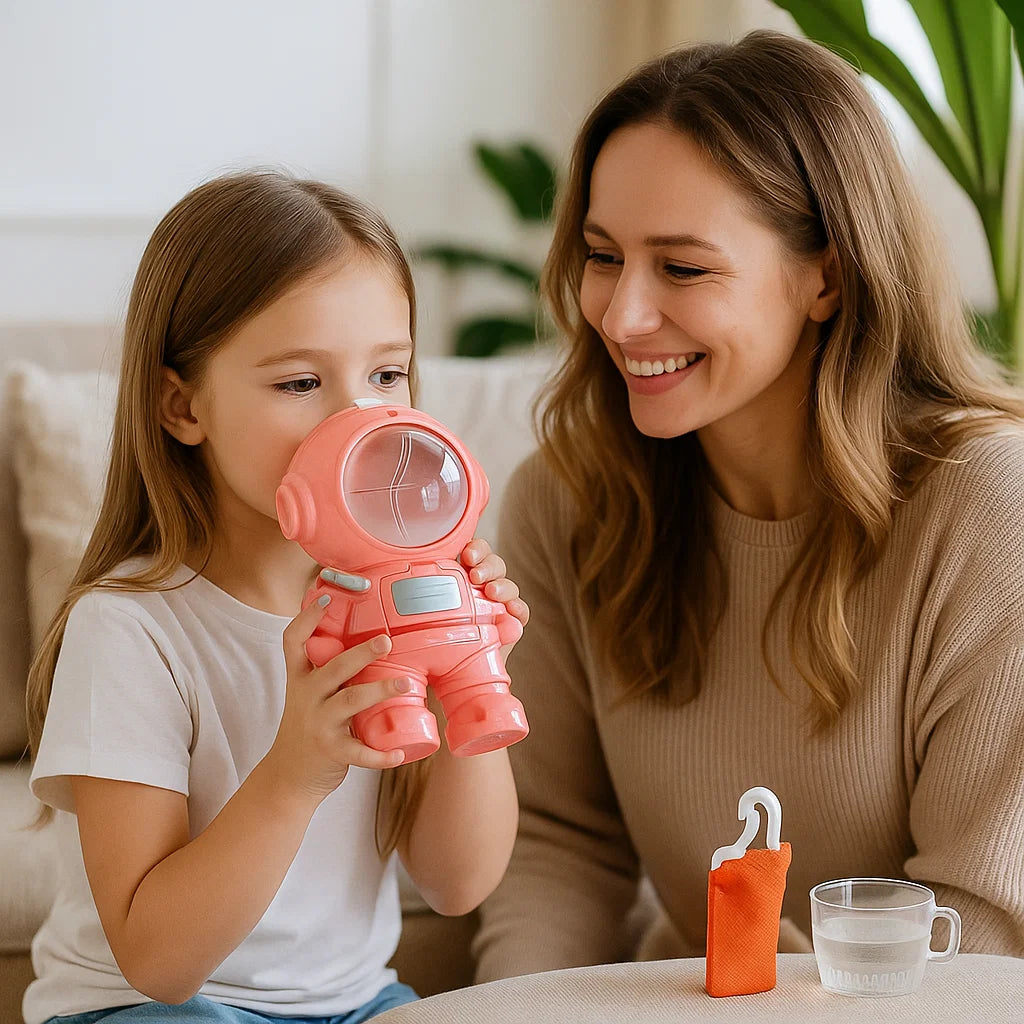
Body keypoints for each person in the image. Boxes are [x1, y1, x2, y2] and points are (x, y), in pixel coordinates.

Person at [473, 29, 1024, 982]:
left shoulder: (988, 508)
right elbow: (559, 846)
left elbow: (976, 936)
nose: (621, 314)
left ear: (830, 275)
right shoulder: (567, 503)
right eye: (603, 256)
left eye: (683, 268)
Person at [23, 171, 528, 1024]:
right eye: (301, 383)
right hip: (151, 1008)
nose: (361, 422)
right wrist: (296, 772)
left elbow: (458, 883)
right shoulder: (130, 630)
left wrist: (472, 673)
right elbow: (157, 961)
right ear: (181, 405)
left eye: (388, 375)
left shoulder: (391, 601)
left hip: (359, 1004)